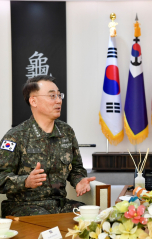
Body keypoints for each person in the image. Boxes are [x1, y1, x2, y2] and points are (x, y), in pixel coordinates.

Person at [0, 75, 96, 217]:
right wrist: (25, 181)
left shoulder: (66, 132)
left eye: (59, 95)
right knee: (48, 226)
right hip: (24, 206)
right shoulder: (15, 136)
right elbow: (1, 177)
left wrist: (79, 181)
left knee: (93, 217)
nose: (58, 100)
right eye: (52, 96)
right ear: (33, 101)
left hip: (60, 205)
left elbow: (76, 169)